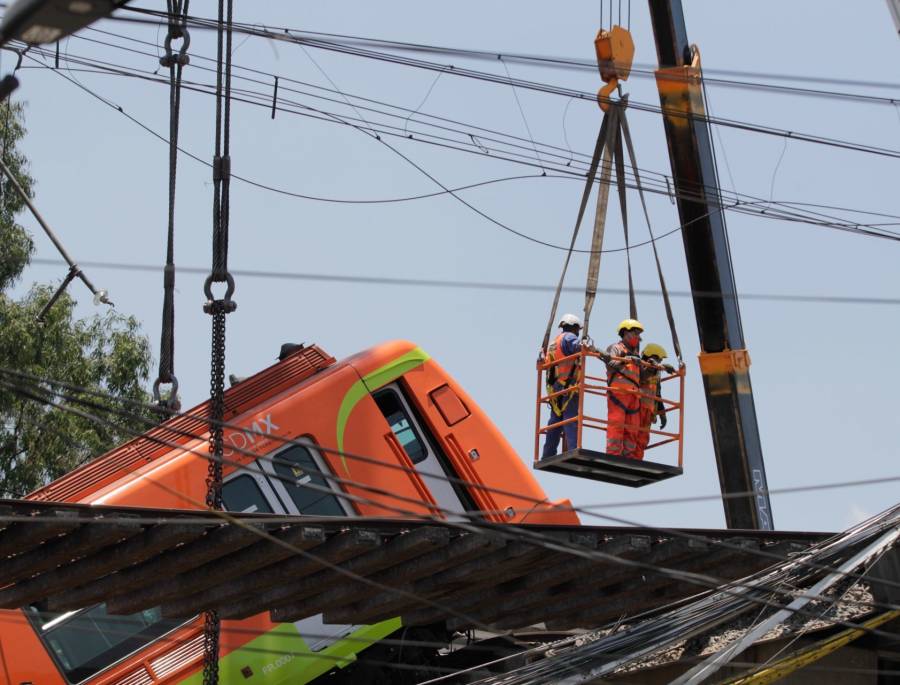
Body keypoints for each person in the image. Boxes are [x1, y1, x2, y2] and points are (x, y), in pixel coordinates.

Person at [541, 313, 586, 458]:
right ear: (574, 327)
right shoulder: (569, 337)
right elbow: (577, 346)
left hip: (556, 389)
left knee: (555, 422)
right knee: (570, 419)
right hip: (568, 388)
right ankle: (573, 450)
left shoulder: (554, 342)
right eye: (578, 329)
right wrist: (587, 346)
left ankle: (548, 453)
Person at [604, 319, 644, 459]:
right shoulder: (616, 348)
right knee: (617, 425)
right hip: (618, 394)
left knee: (632, 429)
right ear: (626, 333)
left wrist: (651, 366)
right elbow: (610, 363)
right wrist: (627, 359)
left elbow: (641, 375)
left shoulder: (635, 354)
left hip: (633, 396)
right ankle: (613, 454)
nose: (638, 338)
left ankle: (629, 457)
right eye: (636, 334)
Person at [635, 343, 675, 460]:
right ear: (652, 356)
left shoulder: (656, 372)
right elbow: (641, 377)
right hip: (636, 407)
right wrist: (654, 365)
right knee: (632, 435)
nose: (660, 362)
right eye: (659, 359)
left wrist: (662, 414)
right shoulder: (640, 365)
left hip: (649, 410)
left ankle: (637, 461)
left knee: (643, 439)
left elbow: (658, 394)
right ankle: (630, 459)